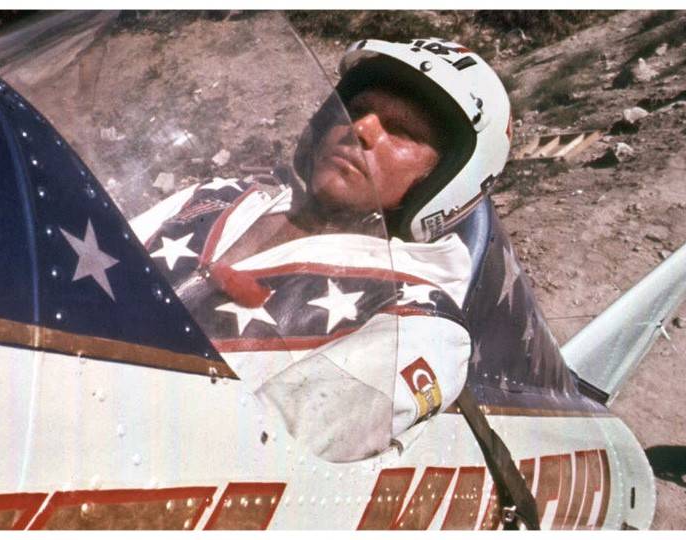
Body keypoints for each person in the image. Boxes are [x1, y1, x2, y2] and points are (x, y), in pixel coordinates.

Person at [130, 38, 511, 462]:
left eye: (402, 130)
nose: (361, 129)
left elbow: (257, 457)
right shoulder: (216, 196)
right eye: (356, 109)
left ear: (445, 179)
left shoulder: (418, 320)